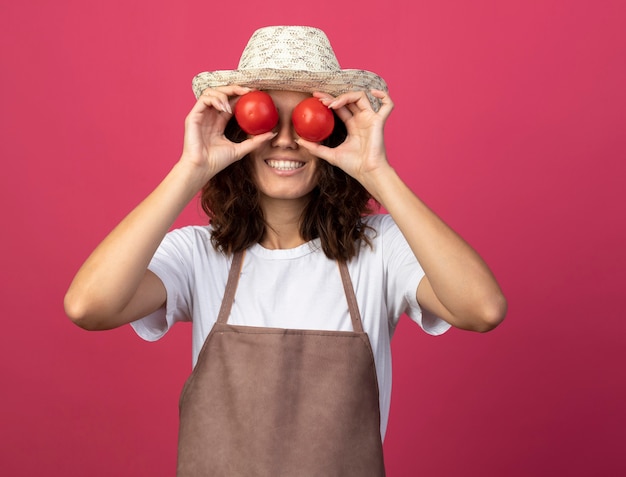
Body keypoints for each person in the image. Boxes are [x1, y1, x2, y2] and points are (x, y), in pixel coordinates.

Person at [64, 25, 507, 476]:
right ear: (237, 132)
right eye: (264, 117)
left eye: (306, 120)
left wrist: (378, 171)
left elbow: (482, 309)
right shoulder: (198, 254)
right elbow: (88, 306)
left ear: (333, 133)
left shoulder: (380, 249)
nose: (285, 140)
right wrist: (190, 168)